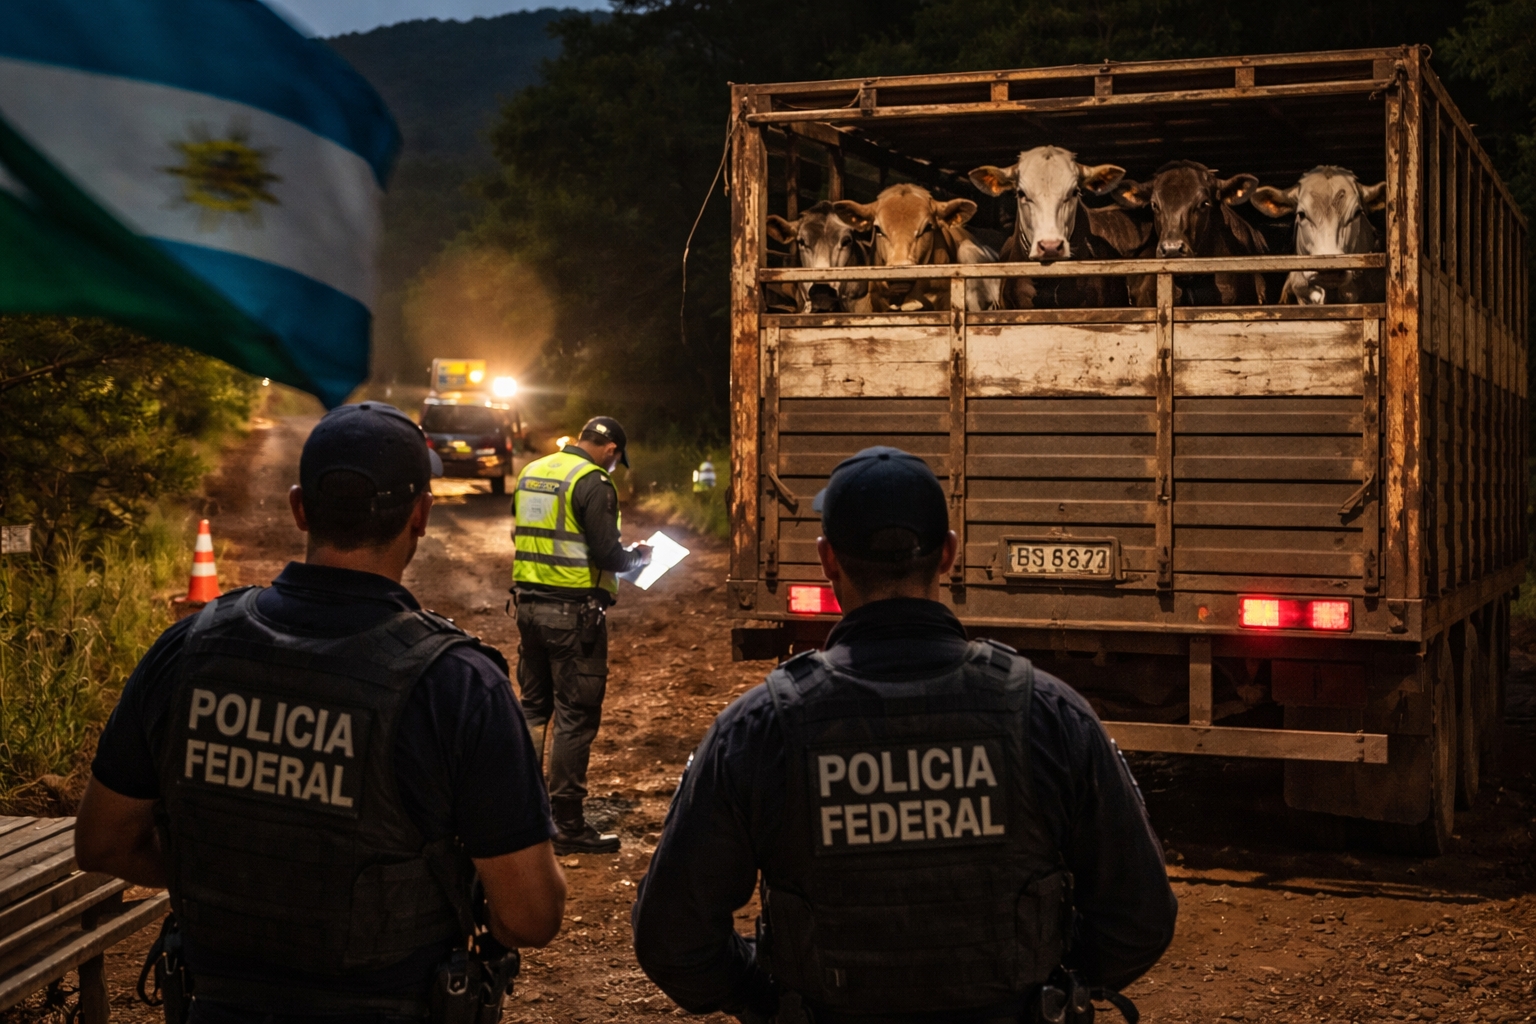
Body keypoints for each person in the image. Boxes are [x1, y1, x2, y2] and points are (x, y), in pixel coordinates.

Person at [631, 446, 1178, 1024]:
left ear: (827, 560)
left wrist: (766, 998)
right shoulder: (1045, 712)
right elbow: (1139, 917)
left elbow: (674, 938)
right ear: (947, 554)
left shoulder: (761, 727)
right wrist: (1046, 986)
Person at [76, 402, 566, 1024]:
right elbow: (531, 916)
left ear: (299, 507)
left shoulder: (188, 649)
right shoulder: (459, 686)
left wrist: (239, 882)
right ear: (421, 516)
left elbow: (101, 842)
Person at [511, 416, 651, 854]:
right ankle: (568, 824)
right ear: (611, 450)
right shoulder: (593, 482)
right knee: (575, 715)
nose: (614, 466)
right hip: (572, 615)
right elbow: (607, 552)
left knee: (534, 708)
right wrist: (640, 558)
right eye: (616, 460)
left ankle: (524, 813)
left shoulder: (534, 471)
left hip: (528, 607)